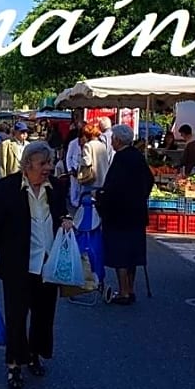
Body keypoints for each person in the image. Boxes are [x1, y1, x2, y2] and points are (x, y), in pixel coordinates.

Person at [0, 141, 73, 389]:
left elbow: (63, 212)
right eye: (43, 164)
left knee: (43, 315)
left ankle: (34, 355)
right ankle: (14, 364)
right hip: (18, 264)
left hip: (47, 264)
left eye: (49, 162)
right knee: (17, 316)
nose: (48, 168)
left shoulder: (56, 187)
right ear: (27, 165)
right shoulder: (8, 188)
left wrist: (67, 220)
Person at [95, 124, 154, 306]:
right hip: (136, 213)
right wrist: (140, 197)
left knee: (120, 253)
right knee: (133, 253)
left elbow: (112, 187)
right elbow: (149, 180)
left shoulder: (121, 158)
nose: (111, 141)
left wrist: (100, 199)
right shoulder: (137, 156)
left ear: (118, 140)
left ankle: (124, 291)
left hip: (119, 215)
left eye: (113, 138)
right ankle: (131, 288)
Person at [65, 123, 110, 211]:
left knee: (87, 205)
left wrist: (80, 162)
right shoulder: (102, 145)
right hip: (102, 179)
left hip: (91, 180)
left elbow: (87, 161)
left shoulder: (88, 146)